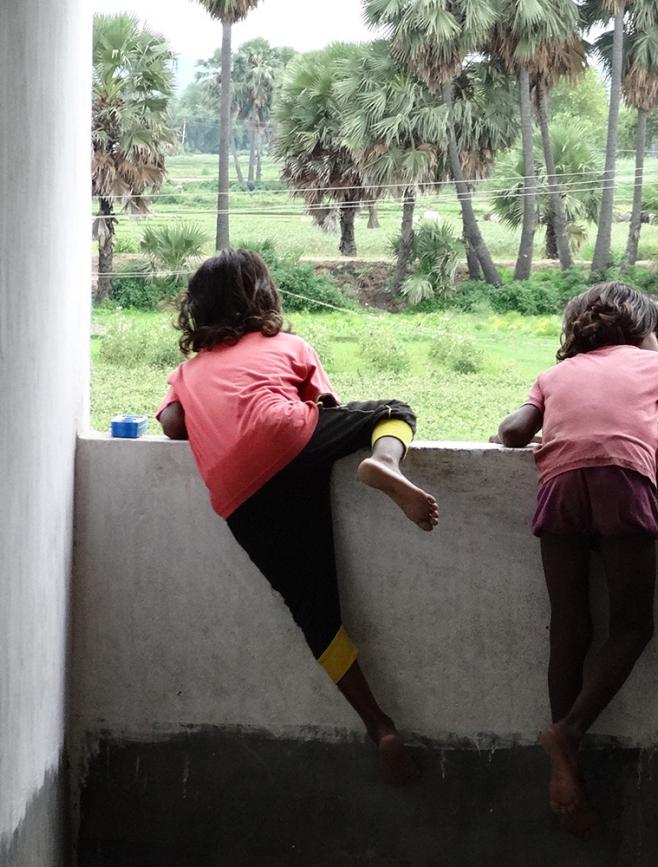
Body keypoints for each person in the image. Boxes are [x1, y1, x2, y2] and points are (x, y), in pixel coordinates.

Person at [155, 249, 439, 785]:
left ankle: (379, 726)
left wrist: (210, 417)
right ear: (263, 297)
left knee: (315, 612)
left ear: (197, 311)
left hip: (239, 491)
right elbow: (324, 404)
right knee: (391, 411)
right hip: (290, 439)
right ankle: (383, 464)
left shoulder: (188, 372)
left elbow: (171, 425)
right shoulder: (286, 344)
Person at [492, 282, 658, 835]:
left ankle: (568, 770)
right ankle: (569, 732)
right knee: (631, 624)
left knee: (570, 628)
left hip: (558, 486)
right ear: (643, 331)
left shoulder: (555, 375)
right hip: (622, 482)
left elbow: (511, 433)